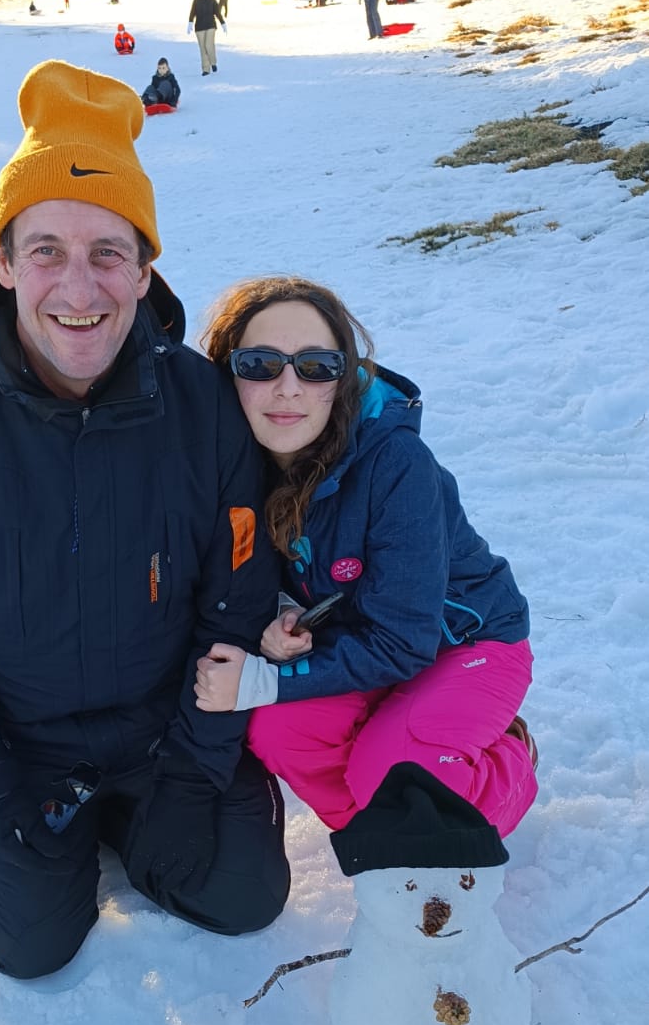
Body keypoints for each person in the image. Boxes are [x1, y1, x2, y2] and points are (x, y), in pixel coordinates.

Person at [0, 61, 290, 980]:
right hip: (20, 752)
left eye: (108, 253)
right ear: (5, 264)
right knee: (30, 951)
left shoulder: (206, 411)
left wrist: (197, 768)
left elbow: (238, 600)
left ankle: (141, 815)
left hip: (167, 732)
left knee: (244, 895)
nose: (79, 290)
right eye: (46, 250)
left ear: (145, 268)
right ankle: (32, 839)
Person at [197, 275, 538, 865]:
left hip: (467, 644)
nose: (287, 388)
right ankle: (391, 844)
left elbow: (405, 640)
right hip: (360, 641)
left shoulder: (397, 462)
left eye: (315, 367)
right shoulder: (237, 461)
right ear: (229, 373)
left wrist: (263, 681)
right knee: (281, 732)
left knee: (399, 771)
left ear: (344, 377)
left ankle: (508, 766)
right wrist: (284, 613)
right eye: (260, 364)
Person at [188, 0, 225, 75]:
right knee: (202, 48)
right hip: (199, 27)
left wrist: (222, 23)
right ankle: (206, 69)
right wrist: (190, 22)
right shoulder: (196, 1)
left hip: (210, 26)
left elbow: (217, 12)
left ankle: (213, 62)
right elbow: (192, 13)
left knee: (208, 45)